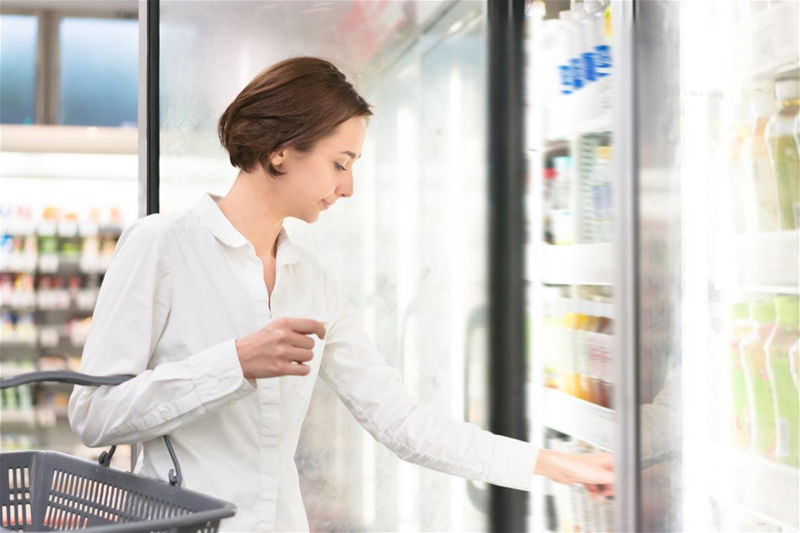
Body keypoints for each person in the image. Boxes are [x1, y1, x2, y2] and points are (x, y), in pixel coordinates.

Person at [68, 56, 613, 532]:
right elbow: (93, 415)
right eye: (340, 163)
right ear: (281, 152)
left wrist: (557, 465)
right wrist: (233, 364)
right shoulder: (162, 246)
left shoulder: (310, 283)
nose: (348, 187)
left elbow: (400, 421)